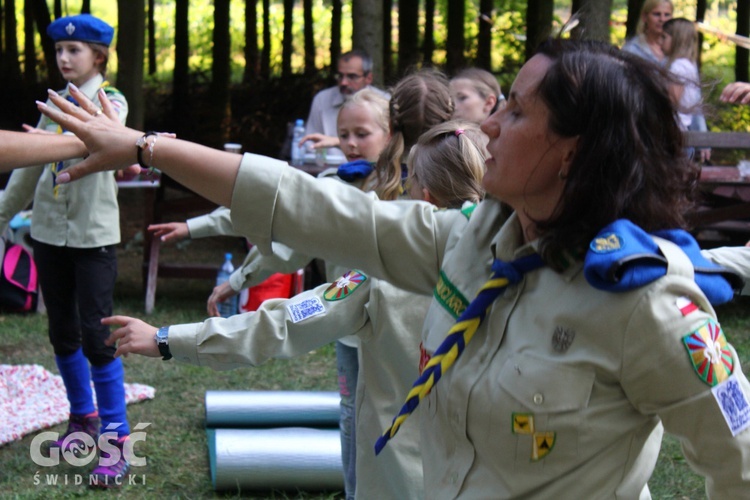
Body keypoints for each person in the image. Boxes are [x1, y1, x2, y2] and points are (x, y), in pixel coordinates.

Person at [43, 38, 750, 497]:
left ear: (574, 150)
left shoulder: (648, 305)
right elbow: (311, 208)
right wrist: (147, 147)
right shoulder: (468, 243)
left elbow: (737, 461)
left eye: (519, 114)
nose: (489, 127)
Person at [102, 120, 486, 500]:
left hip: (399, 484)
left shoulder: (376, 282)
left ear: (427, 198)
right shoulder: (529, 274)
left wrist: (166, 338)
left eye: (410, 180)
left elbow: (284, 324)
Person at [0, 14, 131, 488]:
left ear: (99, 56)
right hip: (49, 236)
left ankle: (117, 443)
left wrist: (48, 140)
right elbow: (25, 172)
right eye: (59, 51)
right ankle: (83, 420)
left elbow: (97, 139)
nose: (64, 57)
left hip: (93, 240)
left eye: (75, 51)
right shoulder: (51, 107)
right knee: (61, 332)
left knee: (98, 336)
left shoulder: (111, 100)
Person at [299, 50, 390, 162]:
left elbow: (394, 145)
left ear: (368, 78)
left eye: (352, 76)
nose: (344, 82)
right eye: (340, 76)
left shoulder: (385, 101)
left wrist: (336, 141)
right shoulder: (322, 100)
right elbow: (310, 145)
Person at [622, 0, 673, 64]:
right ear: (644, 17)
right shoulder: (632, 49)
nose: (662, 19)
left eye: (667, 15)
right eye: (657, 14)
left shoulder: (678, 48)